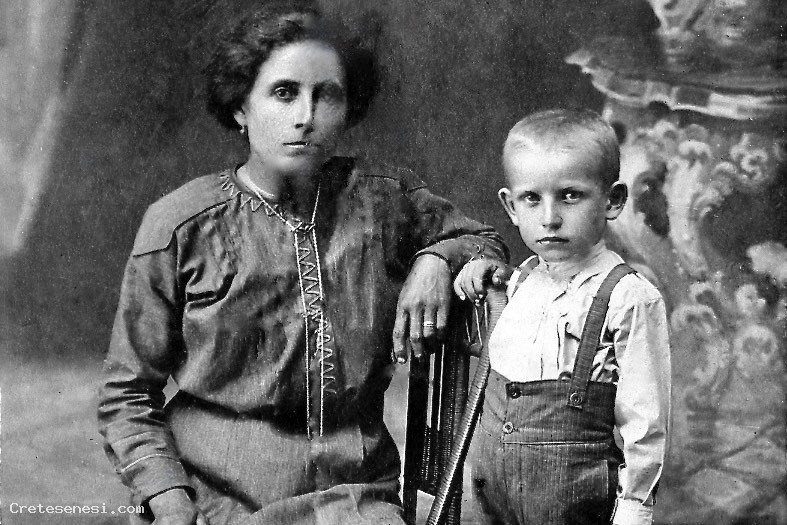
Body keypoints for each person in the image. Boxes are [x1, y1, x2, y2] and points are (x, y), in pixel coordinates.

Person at [97, 5, 507, 525]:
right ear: (241, 107)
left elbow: (484, 242)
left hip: (354, 497)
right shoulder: (181, 225)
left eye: (326, 95)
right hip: (211, 493)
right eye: (284, 93)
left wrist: (436, 259)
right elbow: (127, 392)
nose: (306, 116)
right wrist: (167, 496)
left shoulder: (384, 201)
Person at [453, 109, 670, 525]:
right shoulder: (521, 281)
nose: (549, 218)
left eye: (570, 195)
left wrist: (634, 511)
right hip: (487, 495)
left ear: (612, 200)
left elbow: (646, 424)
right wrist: (484, 270)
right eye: (532, 199)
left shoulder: (628, 297)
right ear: (510, 206)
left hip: (569, 501)